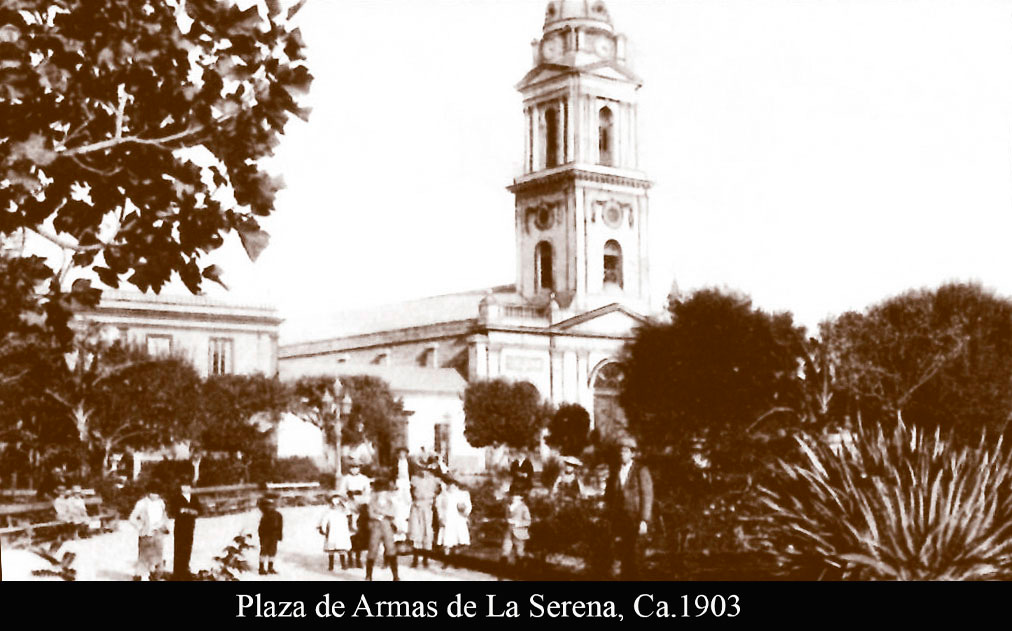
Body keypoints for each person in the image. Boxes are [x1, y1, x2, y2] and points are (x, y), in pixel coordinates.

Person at [604, 435, 654, 580]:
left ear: (632, 453)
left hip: (635, 518)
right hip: (619, 519)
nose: (622, 454)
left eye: (626, 451)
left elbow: (647, 495)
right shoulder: (615, 471)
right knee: (621, 552)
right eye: (620, 451)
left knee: (635, 554)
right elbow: (610, 495)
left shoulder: (640, 470)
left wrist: (644, 520)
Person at [128, 488, 170, 581]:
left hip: (158, 533)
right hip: (146, 533)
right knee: (144, 557)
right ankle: (140, 576)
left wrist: (163, 525)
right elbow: (132, 518)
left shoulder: (161, 503)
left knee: (158, 556)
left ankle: (156, 575)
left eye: (157, 493)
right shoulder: (142, 503)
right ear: (148, 493)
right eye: (152, 493)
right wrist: (141, 527)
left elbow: (165, 517)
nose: (155, 495)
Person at [365, 475, 399, 581]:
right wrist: (379, 515)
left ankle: (395, 576)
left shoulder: (390, 502)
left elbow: (393, 513)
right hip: (375, 527)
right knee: (372, 549)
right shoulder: (372, 502)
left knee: (391, 549)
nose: (382, 494)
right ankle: (368, 575)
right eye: (380, 491)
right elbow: (370, 513)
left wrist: (381, 512)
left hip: (387, 527)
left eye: (384, 492)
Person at [340, 463, 371, 568]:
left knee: (360, 533)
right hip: (350, 505)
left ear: (359, 468)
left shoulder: (364, 479)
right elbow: (341, 492)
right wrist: (348, 496)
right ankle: (349, 557)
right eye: (352, 467)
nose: (354, 469)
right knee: (349, 533)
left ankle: (358, 558)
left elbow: (368, 492)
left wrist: (362, 501)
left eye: (356, 467)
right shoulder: (346, 479)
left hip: (361, 505)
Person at [169, 483, 202, 580]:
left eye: (188, 486)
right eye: (183, 486)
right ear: (180, 487)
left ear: (190, 487)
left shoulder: (194, 498)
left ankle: (185, 570)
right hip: (180, 527)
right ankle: (177, 573)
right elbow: (173, 511)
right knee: (179, 549)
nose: (185, 488)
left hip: (190, 526)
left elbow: (199, 510)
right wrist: (183, 511)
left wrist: (190, 511)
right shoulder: (176, 498)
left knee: (187, 548)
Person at [407, 466, 438, 568]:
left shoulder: (434, 480)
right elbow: (410, 492)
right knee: (416, 532)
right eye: (422, 469)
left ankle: (425, 559)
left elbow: (438, 493)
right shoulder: (414, 479)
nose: (424, 472)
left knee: (427, 532)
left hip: (428, 508)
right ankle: (415, 559)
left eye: (427, 469)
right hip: (416, 507)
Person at [436, 475, 471, 561]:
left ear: (457, 485)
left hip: (458, 519)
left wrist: (464, 510)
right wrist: (440, 517)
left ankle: (456, 558)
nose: (452, 486)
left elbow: (468, 506)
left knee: (458, 539)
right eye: (450, 484)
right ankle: (446, 559)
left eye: (454, 485)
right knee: (447, 541)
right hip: (447, 519)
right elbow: (439, 507)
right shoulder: (442, 496)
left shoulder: (462, 494)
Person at [501, 488, 531, 566]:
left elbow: (528, 521)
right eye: (512, 495)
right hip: (509, 530)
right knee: (505, 548)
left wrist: (517, 523)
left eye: (516, 495)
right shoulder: (508, 506)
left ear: (521, 497)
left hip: (519, 531)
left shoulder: (523, 507)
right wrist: (507, 521)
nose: (513, 497)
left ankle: (519, 567)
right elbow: (506, 518)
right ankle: (502, 567)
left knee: (519, 550)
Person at [257, 496, 284, 576]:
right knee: (264, 551)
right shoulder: (265, 515)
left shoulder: (278, 515)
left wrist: (280, 535)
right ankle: (261, 568)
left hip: (274, 536)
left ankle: (270, 567)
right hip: (265, 535)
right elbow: (261, 527)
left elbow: (280, 526)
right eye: (268, 505)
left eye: (272, 505)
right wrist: (261, 536)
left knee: (272, 551)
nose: (270, 507)